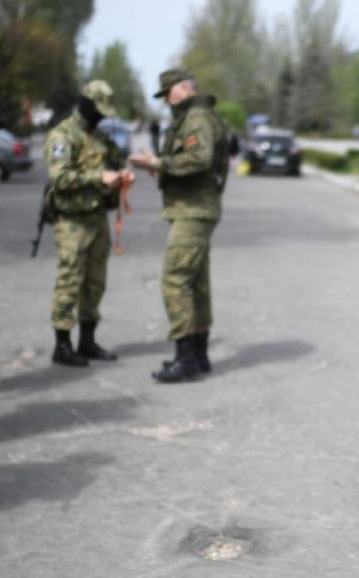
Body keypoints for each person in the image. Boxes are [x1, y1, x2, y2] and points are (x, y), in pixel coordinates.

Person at [128, 68, 229, 383]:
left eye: (167, 93)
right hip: (195, 208)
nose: (165, 101)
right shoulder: (195, 116)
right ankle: (198, 355)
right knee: (196, 282)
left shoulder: (196, 117)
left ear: (183, 88)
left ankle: (186, 358)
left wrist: (158, 162)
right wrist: (160, 166)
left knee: (175, 280)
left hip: (194, 210)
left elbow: (200, 158)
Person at [43, 80, 133, 367]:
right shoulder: (62, 135)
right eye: (98, 111)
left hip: (98, 217)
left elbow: (117, 162)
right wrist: (99, 177)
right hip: (72, 221)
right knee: (70, 281)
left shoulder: (101, 138)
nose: (101, 117)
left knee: (95, 282)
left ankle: (87, 340)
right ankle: (62, 344)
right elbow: (60, 178)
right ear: (87, 105)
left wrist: (122, 175)